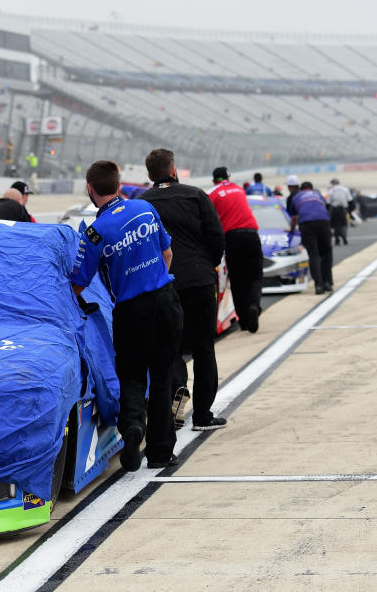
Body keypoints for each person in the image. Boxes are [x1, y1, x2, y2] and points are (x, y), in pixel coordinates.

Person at [70, 160, 183, 471]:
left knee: (131, 376)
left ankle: (132, 427)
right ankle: (160, 452)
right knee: (161, 378)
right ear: (118, 184)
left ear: (90, 190)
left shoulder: (95, 232)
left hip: (131, 311)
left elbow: (78, 284)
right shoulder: (144, 208)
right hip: (164, 301)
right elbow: (168, 253)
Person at [140, 149, 227, 432]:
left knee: (169, 347)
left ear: (150, 174)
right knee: (204, 348)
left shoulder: (142, 203)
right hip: (200, 280)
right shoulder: (195, 195)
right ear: (174, 169)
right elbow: (216, 236)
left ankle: (177, 390)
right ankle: (202, 415)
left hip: (165, 283)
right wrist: (207, 264)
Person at [208, 167, 263, 334]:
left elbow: (209, 219)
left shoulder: (213, 193)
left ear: (213, 180)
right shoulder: (239, 189)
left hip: (232, 237)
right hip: (252, 234)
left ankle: (244, 320)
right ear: (228, 177)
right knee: (255, 276)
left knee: (237, 280)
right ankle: (254, 306)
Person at [290, 182, 333, 294]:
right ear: (312, 188)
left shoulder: (296, 197)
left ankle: (318, 285)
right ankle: (328, 283)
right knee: (326, 253)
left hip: (306, 224)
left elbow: (294, 218)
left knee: (313, 255)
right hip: (323, 222)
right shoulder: (318, 195)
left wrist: (292, 230)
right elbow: (325, 208)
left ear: (301, 190)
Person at [327, 178, 353, 246]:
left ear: (333, 183)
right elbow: (350, 200)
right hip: (343, 209)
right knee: (344, 224)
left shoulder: (331, 190)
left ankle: (337, 239)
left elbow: (328, 202)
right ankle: (344, 235)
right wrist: (349, 210)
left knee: (335, 224)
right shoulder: (345, 189)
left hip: (334, 209)